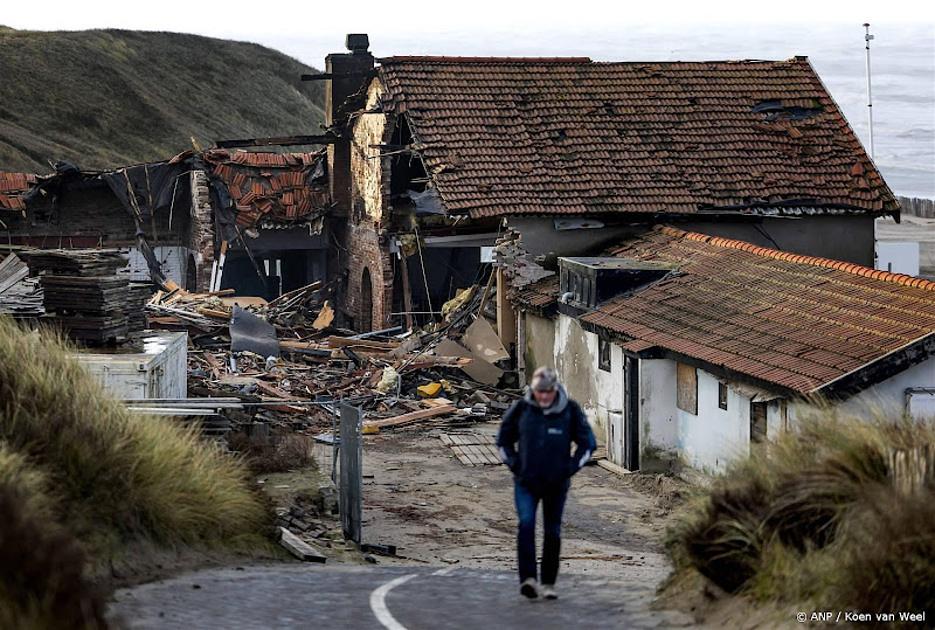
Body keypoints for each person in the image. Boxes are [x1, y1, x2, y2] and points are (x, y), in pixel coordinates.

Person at [496, 366, 596, 600]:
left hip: (556, 484)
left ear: (555, 389)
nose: (543, 396)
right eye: (539, 392)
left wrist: (570, 468)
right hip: (526, 482)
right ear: (534, 390)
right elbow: (503, 440)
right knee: (527, 524)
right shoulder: (521, 409)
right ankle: (528, 580)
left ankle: (549, 583)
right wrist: (514, 464)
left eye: (548, 392)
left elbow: (588, 444)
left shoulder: (569, 410)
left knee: (552, 531)